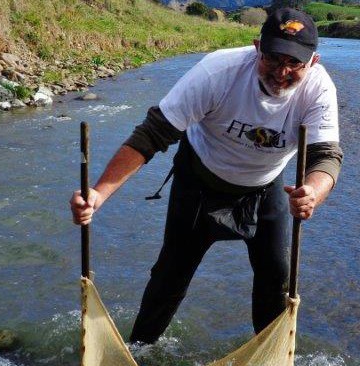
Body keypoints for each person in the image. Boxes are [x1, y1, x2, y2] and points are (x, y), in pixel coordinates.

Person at [69, 8, 343, 344]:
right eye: (273, 58)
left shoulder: (318, 90)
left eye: (294, 64)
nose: (282, 72)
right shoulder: (219, 72)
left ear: (311, 62)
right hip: (199, 182)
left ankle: (269, 353)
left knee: (277, 279)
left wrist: (313, 191)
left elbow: (325, 157)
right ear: (257, 47)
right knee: (170, 277)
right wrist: (98, 195)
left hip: (265, 186)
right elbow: (153, 134)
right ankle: (139, 349)